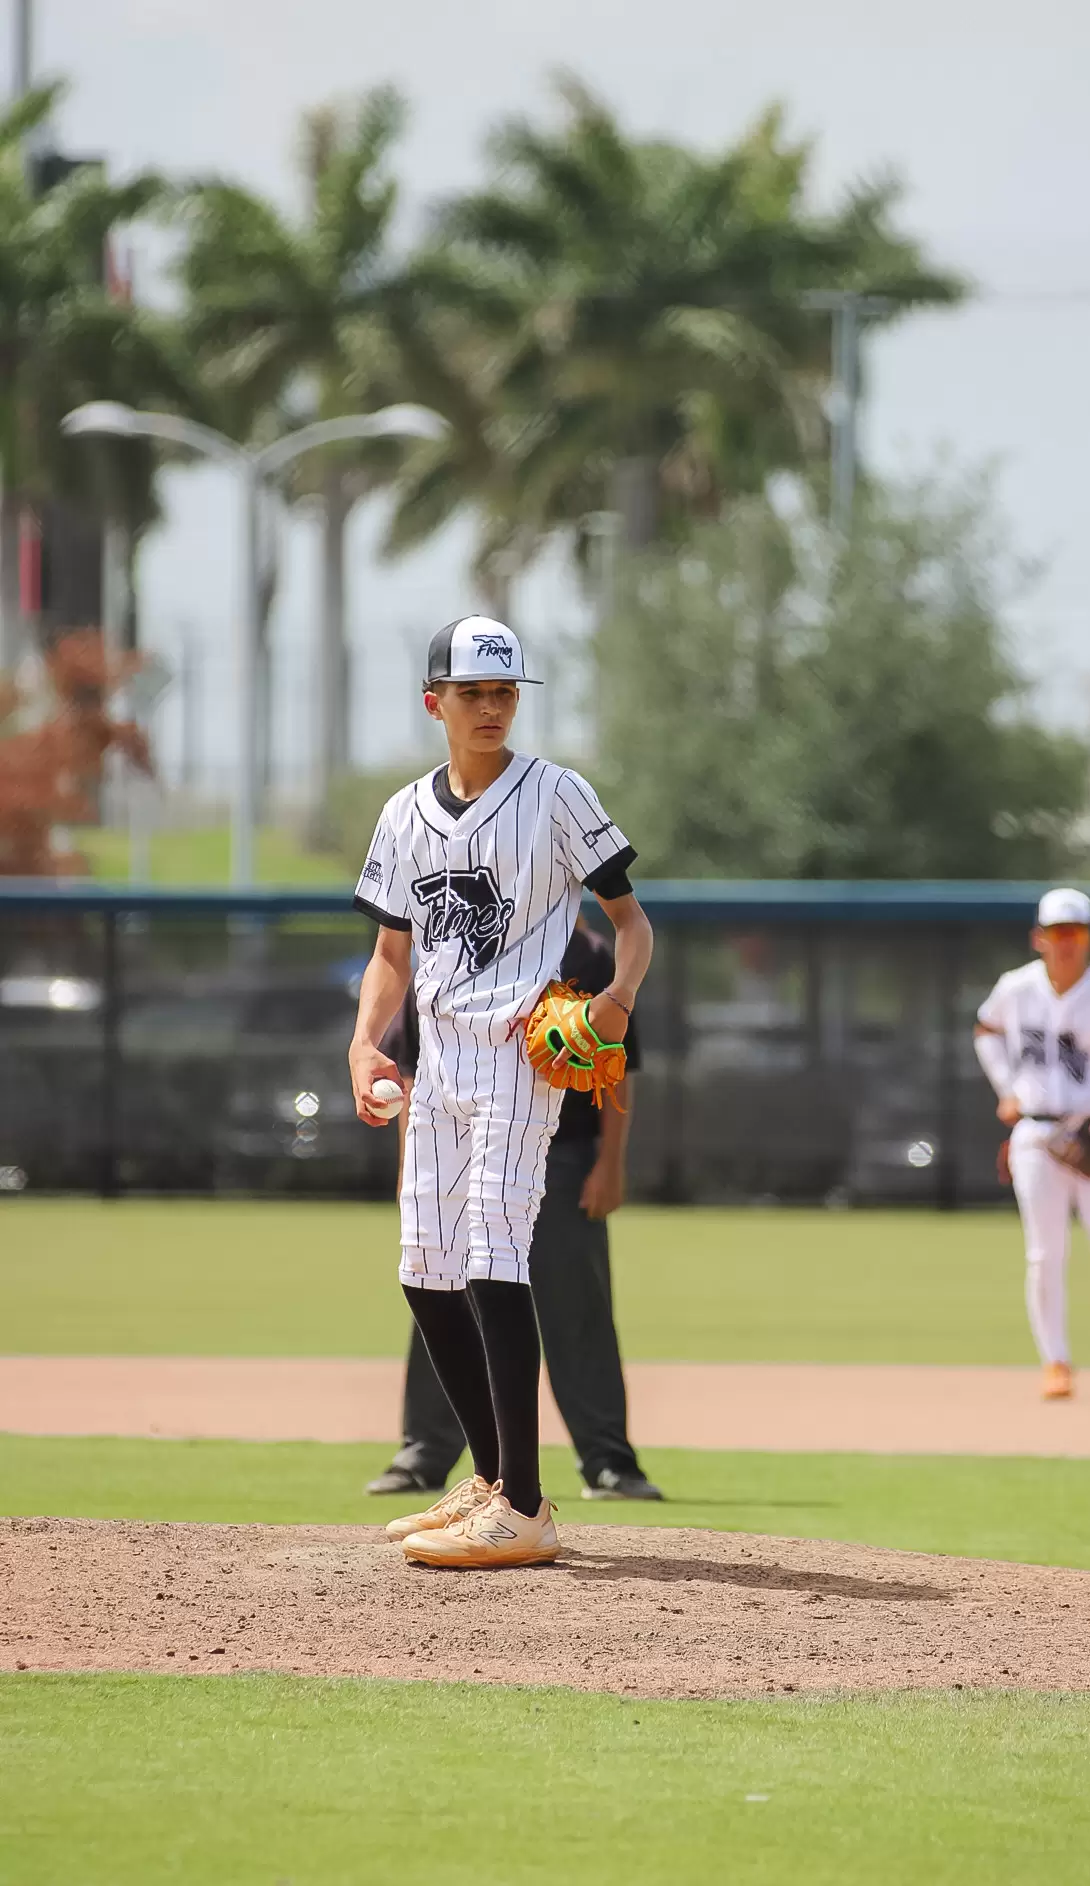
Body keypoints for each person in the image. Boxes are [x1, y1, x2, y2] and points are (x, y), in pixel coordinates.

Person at [348, 615, 654, 1568]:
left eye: (505, 691)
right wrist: (363, 1047)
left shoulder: (556, 794)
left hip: (520, 1054)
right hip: (435, 1061)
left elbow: (632, 923)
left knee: (492, 1258)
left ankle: (523, 1505)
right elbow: (390, 953)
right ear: (434, 702)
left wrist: (614, 1001)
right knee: (424, 1270)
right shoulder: (405, 813)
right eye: (472, 692)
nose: (491, 706)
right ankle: (491, 1482)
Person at [365, 914, 663, 1505]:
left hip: (565, 1156)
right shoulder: (457, 942)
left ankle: (607, 1459)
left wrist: (610, 1163)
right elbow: (414, 1066)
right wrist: (409, 1165)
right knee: (443, 1290)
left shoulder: (590, 954)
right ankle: (425, 1452)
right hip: (461, 1144)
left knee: (575, 1304)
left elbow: (616, 1066)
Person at [974, 886, 1090, 1402]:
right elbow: (985, 1031)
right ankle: (1055, 1362)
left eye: (1075, 932)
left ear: (1088, 937)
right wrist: (1006, 1088)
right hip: (1035, 1133)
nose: (1067, 942)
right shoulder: (1016, 987)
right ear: (1039, 937)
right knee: (1045, 1253)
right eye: (1058, 932)